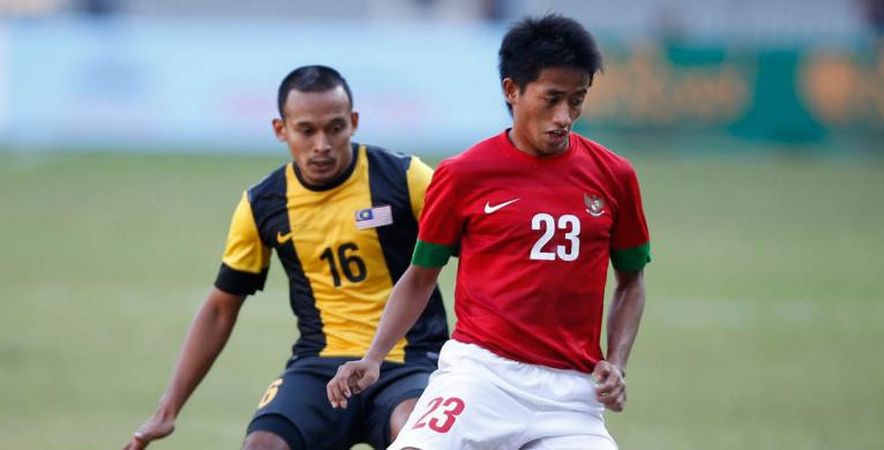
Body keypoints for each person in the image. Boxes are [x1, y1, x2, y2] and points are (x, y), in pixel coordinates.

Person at [327, 14, 651, 449]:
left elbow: (631, 281)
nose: (564, 117)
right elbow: (421, 276)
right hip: (480, 378)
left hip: (571, 398)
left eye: (577, 100)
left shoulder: (615, 175)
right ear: (511, 90)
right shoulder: (464, 174)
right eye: (551, 98)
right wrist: (374, 357)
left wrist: (617, 361)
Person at [124, 65, 449, 450]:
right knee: (262, 445)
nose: (322, 144)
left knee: (417, 436)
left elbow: (478, 251)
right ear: (281, 130)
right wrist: (169, 407)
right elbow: (220, 309)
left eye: (335, 127)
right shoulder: (263, 203)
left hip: (409, 361)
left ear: (354, 122)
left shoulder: (405, 177)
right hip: (319, 365)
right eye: (306, 130)